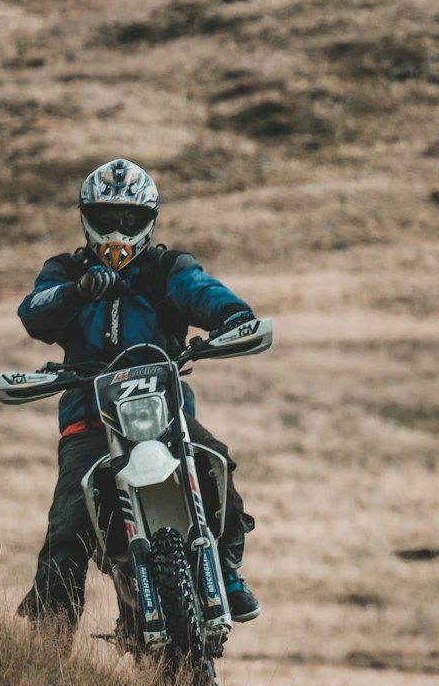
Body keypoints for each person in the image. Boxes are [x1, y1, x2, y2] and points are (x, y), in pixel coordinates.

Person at [15, 158, 261, 643]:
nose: (117, 229)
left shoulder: (167, 268)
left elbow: (202, 292)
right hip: (90, 424)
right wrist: (76, 292)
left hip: (166, 418)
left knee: (218, 464)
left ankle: (228, 570)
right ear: (87, 216)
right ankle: (46, 650)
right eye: (107, 217)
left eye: (129, 219)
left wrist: (233, 315)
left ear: (149, 219)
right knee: (66, 532)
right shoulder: (66, 271)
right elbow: (33, 313)